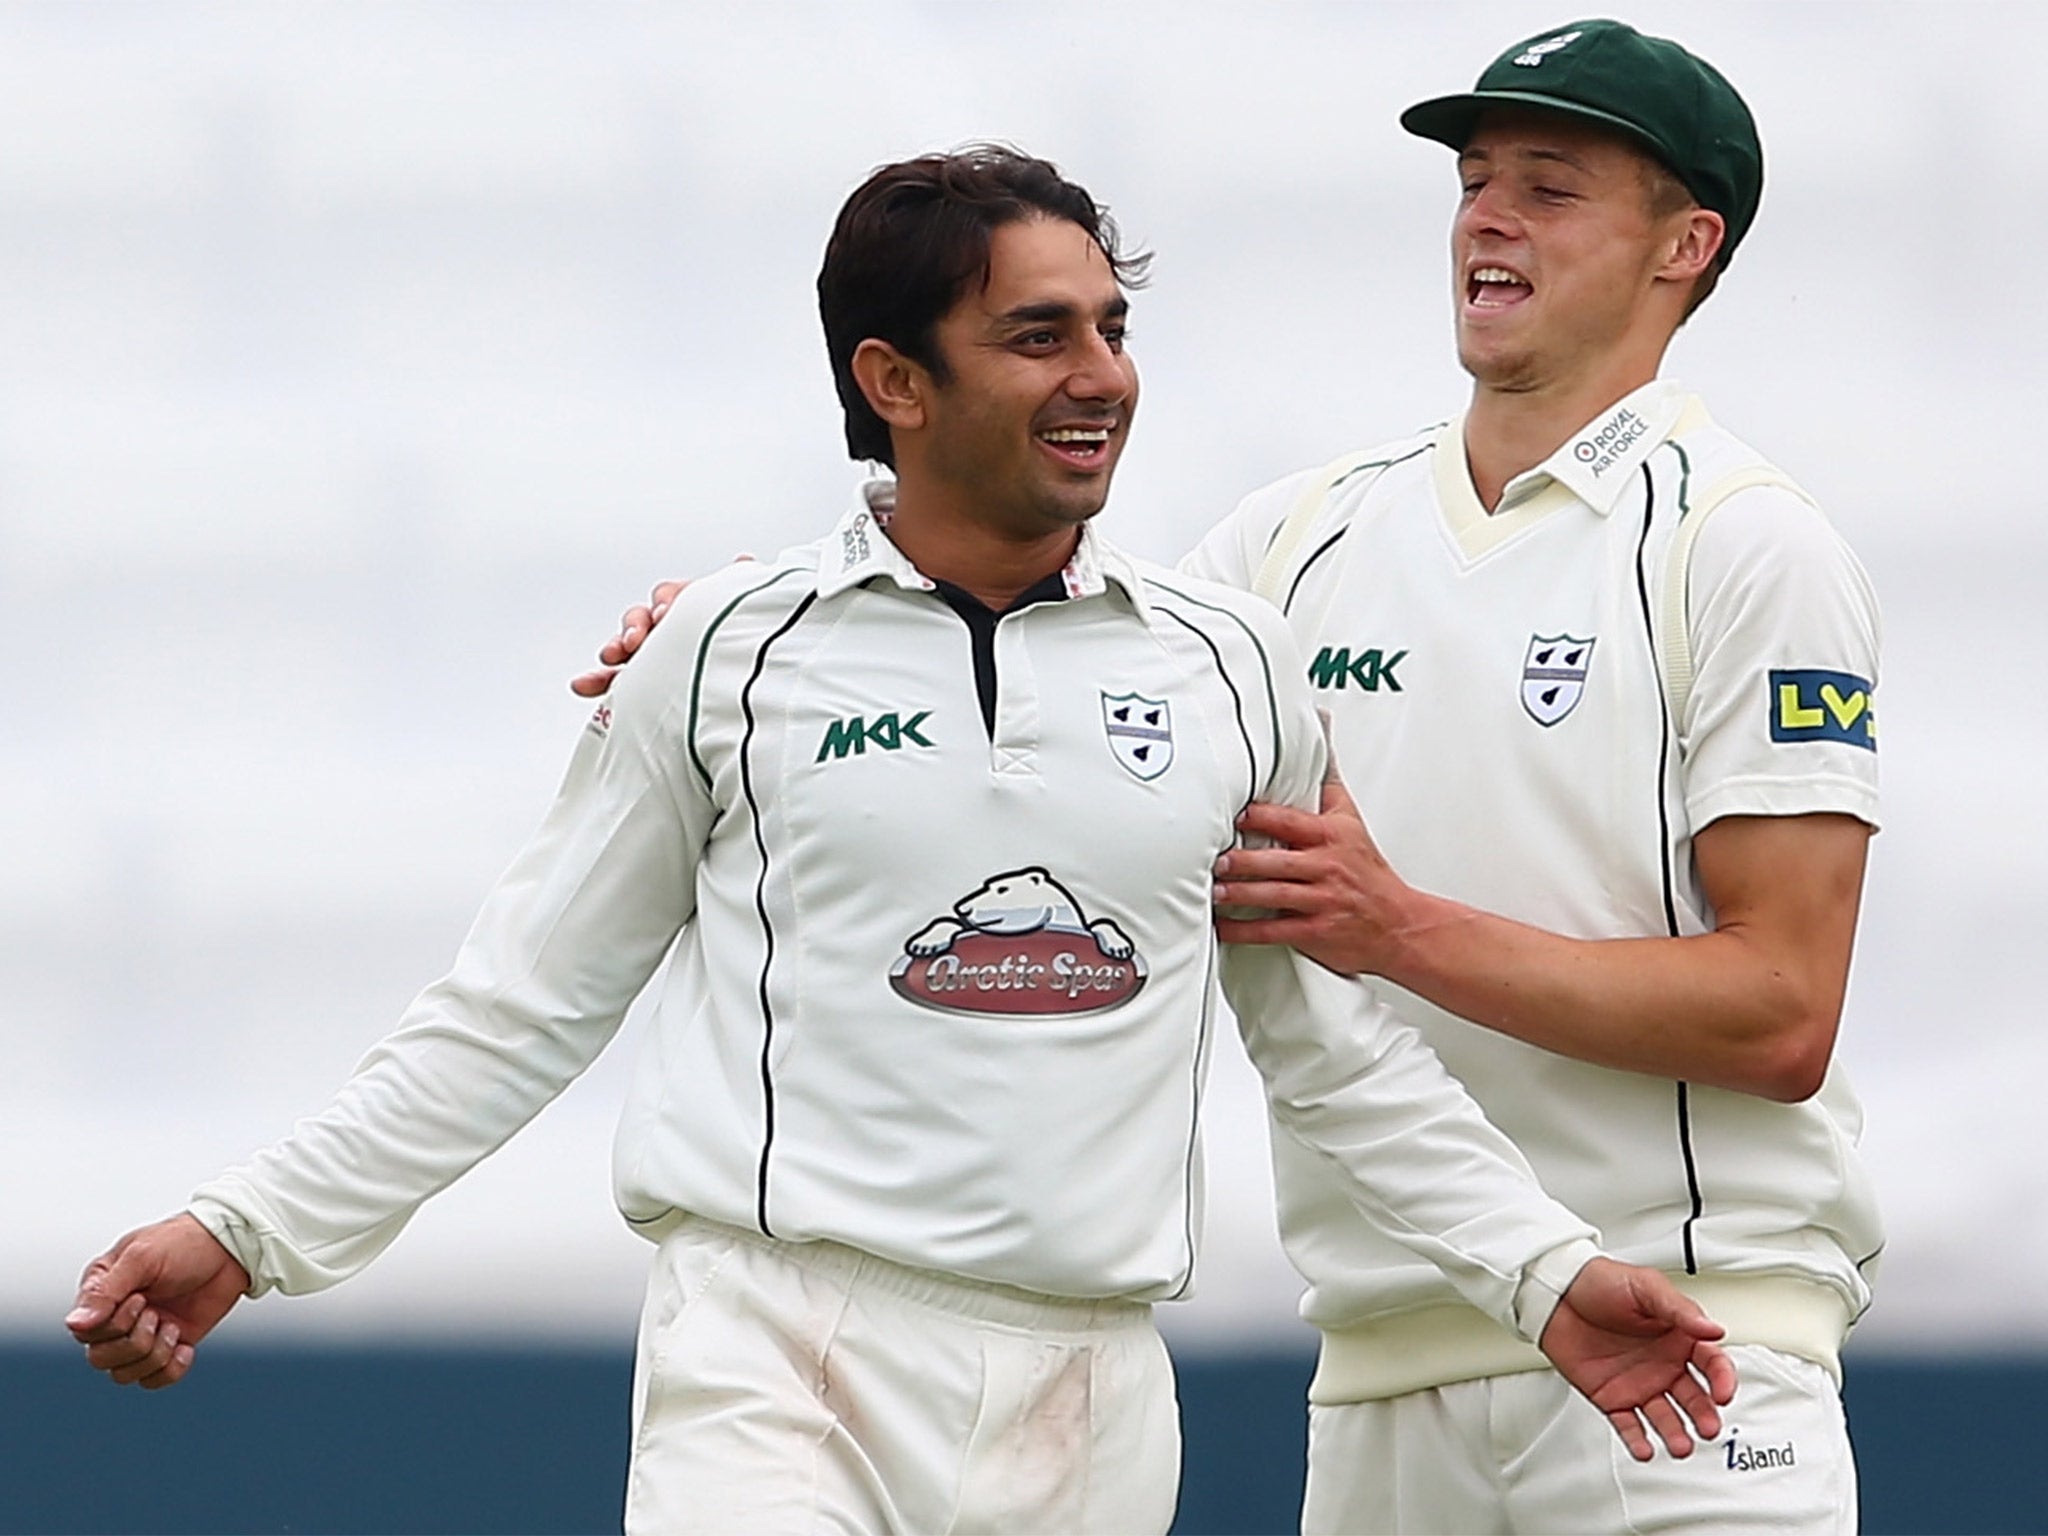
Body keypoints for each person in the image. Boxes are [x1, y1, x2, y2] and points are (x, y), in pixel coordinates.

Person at [67, 145, 1733, 1535]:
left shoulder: (1229, 664)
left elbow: (1332, 1055)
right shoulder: (724, 648)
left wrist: (1542, 1276)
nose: (1101, 379)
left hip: (1094, 1391)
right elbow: (522, 1007)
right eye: (1037, 336)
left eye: (1113, 327)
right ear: (894, 382)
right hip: (780, 1359)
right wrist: (244, 1233)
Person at [584, 22, 1881, 1535]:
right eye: (1474, 182)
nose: (1488, 217)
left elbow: (1781, 1013)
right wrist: (752, 623)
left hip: (1692, 1353)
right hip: (1386, 1369)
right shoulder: (1301, 539)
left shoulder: (1744, 543)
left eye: (1553, 186)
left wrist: (1397, 930)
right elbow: (1016, 632)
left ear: (1687, 244)